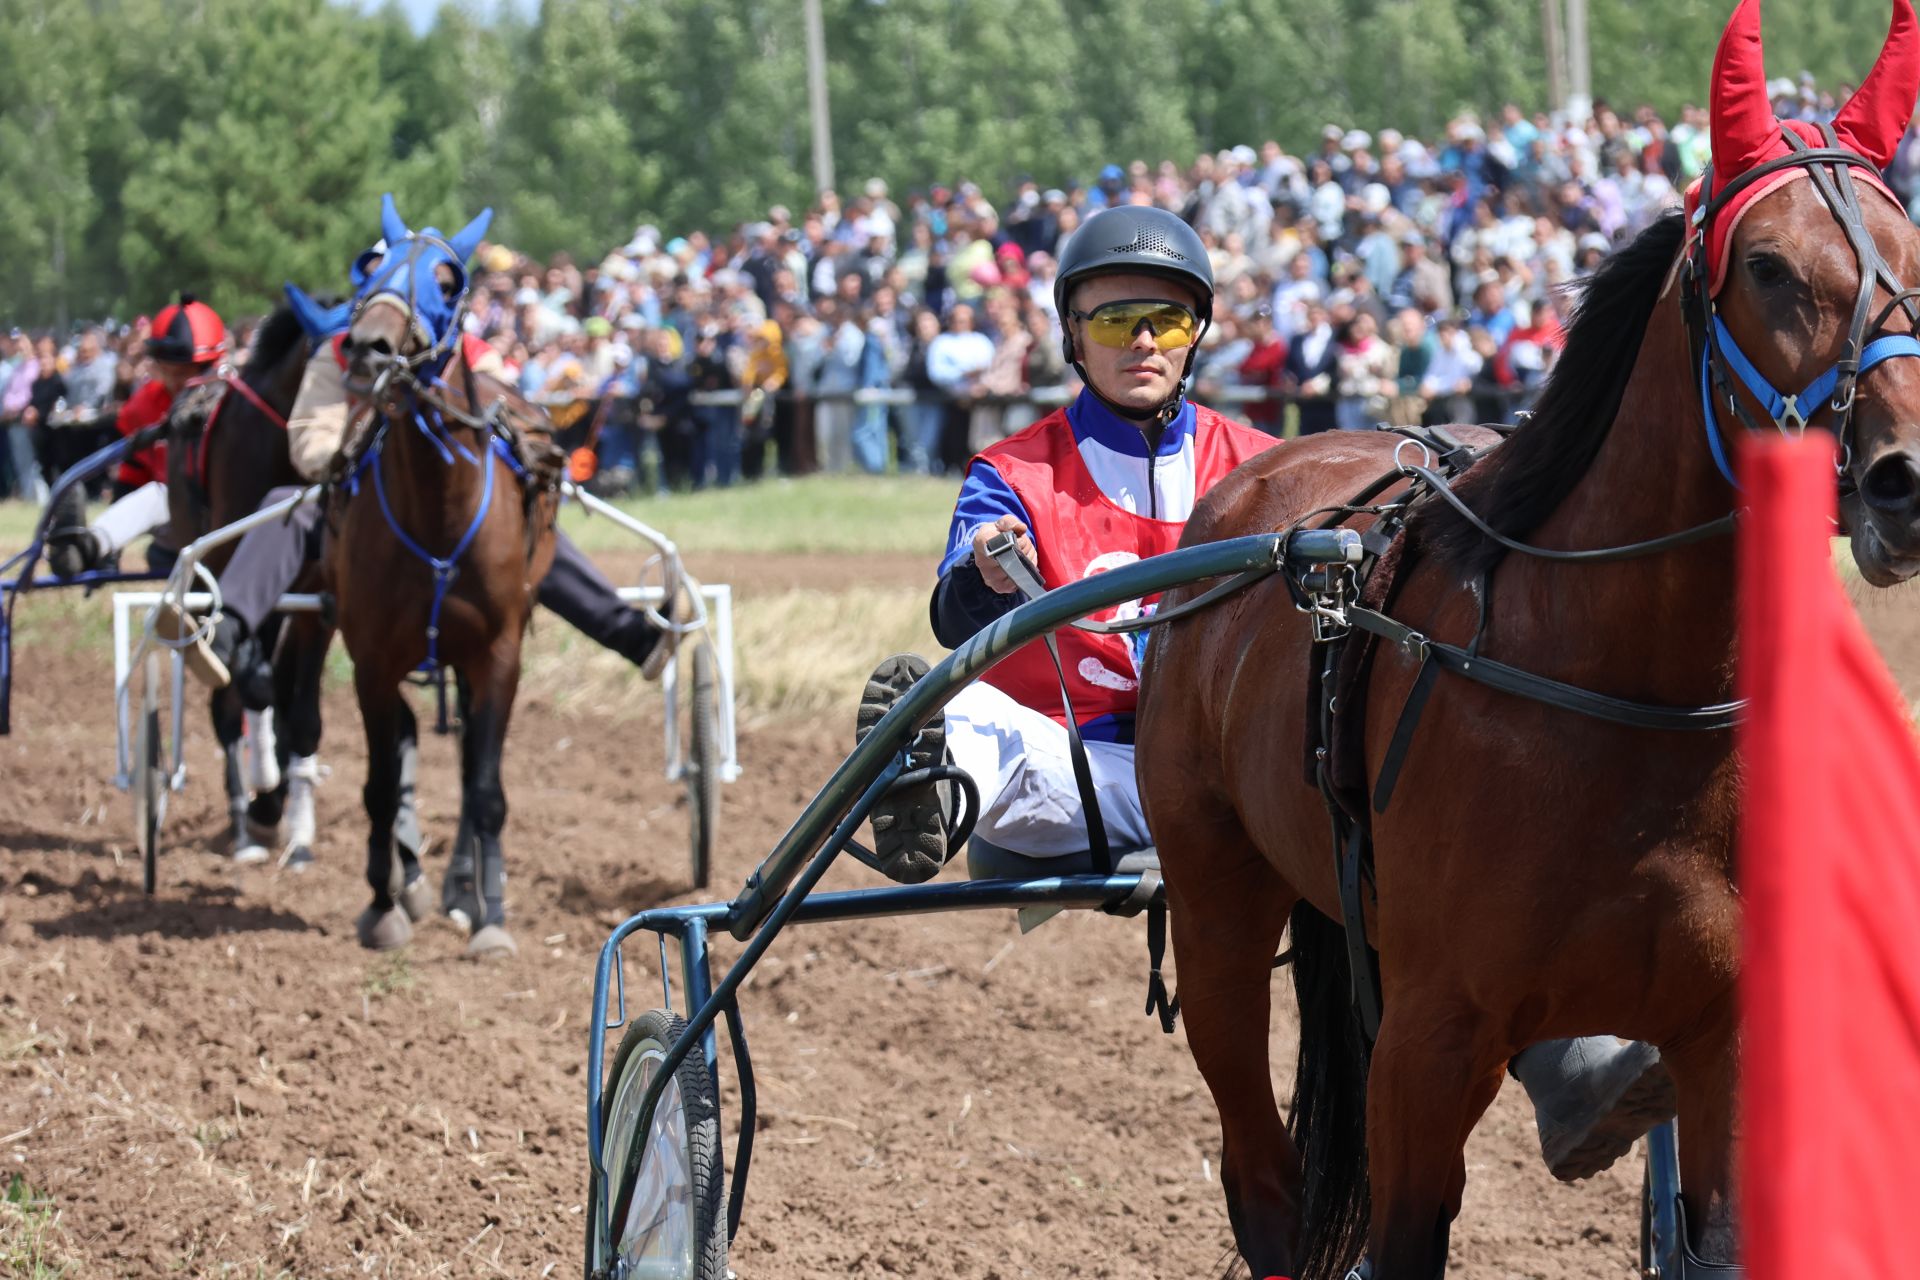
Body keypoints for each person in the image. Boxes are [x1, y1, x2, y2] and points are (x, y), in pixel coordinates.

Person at [855, 202, 1676, 1188]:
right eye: (1116, 321)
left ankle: (1565, 1052)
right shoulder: (1014, 473)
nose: (1144, 341)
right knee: (978, 719)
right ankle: (934, 785)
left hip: (1253, 789)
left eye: (1167, 319)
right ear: (1074, 336)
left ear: (1198, 331)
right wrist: (988, 568)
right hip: (1089, 769)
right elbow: (952, 616)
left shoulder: (1266, 470)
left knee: (1425, 816)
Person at [158, 215, 691, 732]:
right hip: (362, 500)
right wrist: (349, 451)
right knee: (287, 504)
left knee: (525, 531)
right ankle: (223, 632)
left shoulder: (466, 353)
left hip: (451, 508)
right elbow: (311, 439)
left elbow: (504, 407)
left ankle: (635, 639)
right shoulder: (335, 355)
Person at [47, 296, 227, 577]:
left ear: (216, 363)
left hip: (230, 519)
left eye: (187, 372)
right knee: (159, 495)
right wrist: (115, 544)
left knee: (164, 495)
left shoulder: (236, 403)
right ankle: (87, 547)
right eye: (168, 371)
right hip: (177, 525)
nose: (177, 382)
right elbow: (132, 479)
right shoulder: (144, 405)